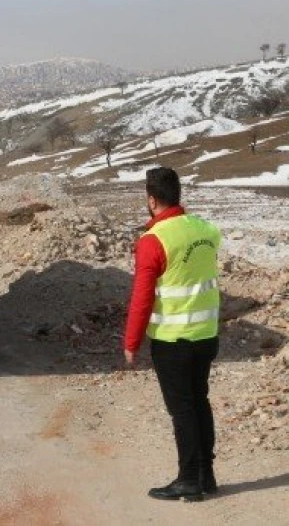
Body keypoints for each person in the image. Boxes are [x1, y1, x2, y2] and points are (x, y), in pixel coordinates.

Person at [123, 167, 222, 501]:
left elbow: (142, 297)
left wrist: (131, 342)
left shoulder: (153, 241)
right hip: (206, 335)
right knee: (199, 402)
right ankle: (206, 475)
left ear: (151, 200)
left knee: (181, 410)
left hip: (172, 340)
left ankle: (188, 481)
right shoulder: (207, 230)